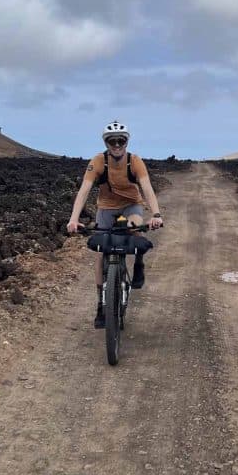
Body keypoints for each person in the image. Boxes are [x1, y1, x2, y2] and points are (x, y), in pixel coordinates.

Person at [67, 121, 164, 328]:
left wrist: (156, 214)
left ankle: (139, 265)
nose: (117, 144)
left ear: (127, 141)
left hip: (131, 205)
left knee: (135, 228)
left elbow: (146, 189)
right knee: (102, 252)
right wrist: (73, 219)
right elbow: (84, 190)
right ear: (106, 143)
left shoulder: (135, 162)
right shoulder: (98, 162)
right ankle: (101, 305)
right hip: (106, 208)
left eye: (121, 140)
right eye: (113, 141)